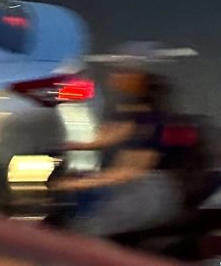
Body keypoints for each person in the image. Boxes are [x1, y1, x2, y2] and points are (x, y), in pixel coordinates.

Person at [59, 44, 183, 238]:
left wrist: (76, 183)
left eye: (123, 70)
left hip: (146, 192)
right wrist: (65, 144)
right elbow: (101, 137)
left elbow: (130, 170)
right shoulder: (128, 111)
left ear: (140, 76)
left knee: (87, 231)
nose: (113, 75)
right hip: (126, 188)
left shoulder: (150, 119)